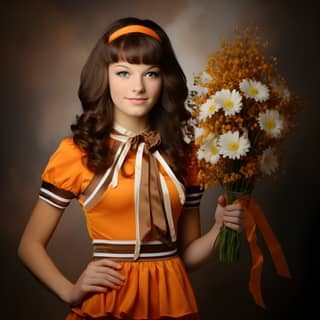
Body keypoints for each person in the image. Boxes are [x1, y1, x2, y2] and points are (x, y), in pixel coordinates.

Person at [18, 17, 244, 320]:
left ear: (164, 79)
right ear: (104, 77)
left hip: (172, 300)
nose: (137, 86)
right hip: (109, 302)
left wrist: (220, 228)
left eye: (150, 73)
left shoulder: (185, 154)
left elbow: (187, 255)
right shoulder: (77, 153)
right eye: (123, 72)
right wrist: (70, 291)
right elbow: (29, 245)